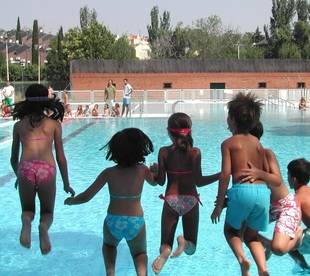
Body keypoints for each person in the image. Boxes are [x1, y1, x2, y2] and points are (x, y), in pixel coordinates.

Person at [65, 128, 157, 276]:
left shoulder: (108, 173)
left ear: (114, 151)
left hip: (113, 220)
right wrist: (156, 172)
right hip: (136, 221)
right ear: (139, 150)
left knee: (109, 246)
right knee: (139, 253)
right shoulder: (142, 170)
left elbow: (87, 196)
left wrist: (72, 201)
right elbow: (155, 183)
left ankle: (110, 273)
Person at [151, 112, 220, 274]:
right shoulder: (195, 152)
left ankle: (165, 253)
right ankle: (184, 243)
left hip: (171, 200)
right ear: (189, 130)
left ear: (169, 131)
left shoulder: (163, 152)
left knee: (165, 243)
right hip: (190, 200)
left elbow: (160, 181)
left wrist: (153, 172)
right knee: (191, 248)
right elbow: (199, 181)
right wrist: (220, 175)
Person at [10, 84, 75, 255]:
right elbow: (61, 157)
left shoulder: (19, 126)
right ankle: (43, 228)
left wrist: (19, 175)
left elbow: (13, 159)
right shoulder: (54, 125)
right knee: (47, 212)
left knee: (27, 210)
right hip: (47, 170)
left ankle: (26, 223)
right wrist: (66, 183)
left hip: (25, 169)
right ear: (47, 101)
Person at [211, 92, 270, 276]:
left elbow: (225, 175)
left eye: (228, 116)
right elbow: (266, 172)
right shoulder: (259, 144)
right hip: (262, 192)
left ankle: (242, 260)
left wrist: (220, 205)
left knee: (230, 230)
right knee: (251, 235)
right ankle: (263, 269)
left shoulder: (228, 143)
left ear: (233, 120)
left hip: (241, 191)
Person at [240, 122, 302, 257]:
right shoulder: (245, 159)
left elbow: (277, 180)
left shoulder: (267, 154)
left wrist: (259, 173)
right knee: (242, 231)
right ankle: (269, 245)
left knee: (279, 249)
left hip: (286, 206)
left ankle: (296, 236)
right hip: (269, 206)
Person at [287, 158, 310, 269]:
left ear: (294, 180)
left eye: (288, 176)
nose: (287, 179)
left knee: (289, 244)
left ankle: (305, 269)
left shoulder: (297, 198)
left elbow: (292, 226)